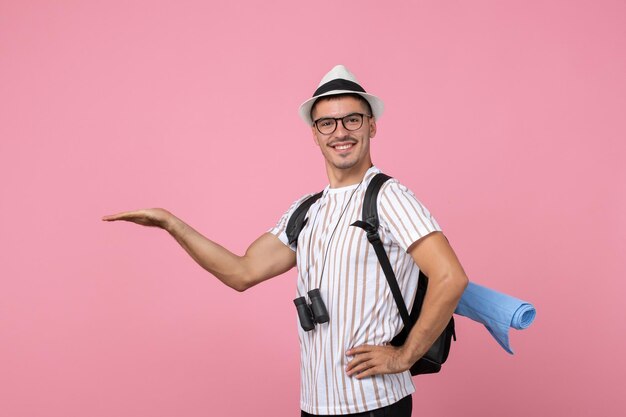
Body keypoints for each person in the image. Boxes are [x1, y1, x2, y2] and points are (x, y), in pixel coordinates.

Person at [102, 65, 469, 417]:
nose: (340, 132)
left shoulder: (389, 197)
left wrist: (403, 357)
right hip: (316, 402)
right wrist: (171, 223)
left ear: (371, 126)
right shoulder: (306, 210)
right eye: (327, 123)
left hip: (373, 404)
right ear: (314, 133)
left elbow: (450, 277)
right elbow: (241, 272)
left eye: (352, 119)